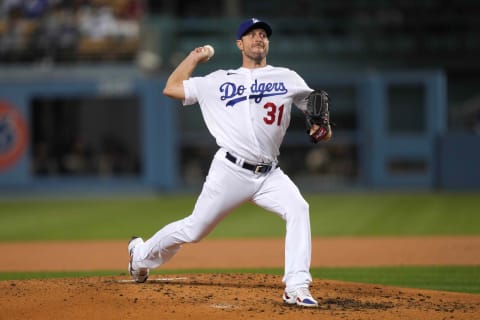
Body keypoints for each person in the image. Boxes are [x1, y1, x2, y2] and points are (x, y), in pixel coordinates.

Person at [128, 17, 329, 308]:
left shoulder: (288, 77)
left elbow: (318, 118)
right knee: (194, 230)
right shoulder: (218, 80)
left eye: (263, 34)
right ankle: (141, 254)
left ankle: (296, 286)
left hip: (270, 173)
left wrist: (322, 129)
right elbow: (171, 87)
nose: (258, 38)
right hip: (230, 171)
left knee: (299, 208)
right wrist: (194, 56)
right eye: (251, 34)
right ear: (240, 44)